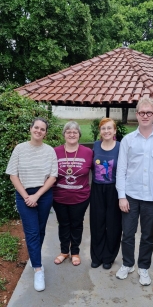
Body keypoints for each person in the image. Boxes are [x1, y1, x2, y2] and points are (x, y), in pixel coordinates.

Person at [115, 97, 153, 286]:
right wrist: (121, 196)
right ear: (136, 114)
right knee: (127, 233)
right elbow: (121, 170)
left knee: (147, 235)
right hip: (131, 196)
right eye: (141, 112)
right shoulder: (128, 140)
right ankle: (128, 264)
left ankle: (143, 267)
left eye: (148, 112)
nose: (145, 116)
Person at [6, 117, 58, 292]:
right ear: (30, 129)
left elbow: (53, 176)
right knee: (32, 231)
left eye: (42, 129)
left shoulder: (50, 151)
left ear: (45, 133)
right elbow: (13, 175)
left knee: (40, 230)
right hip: (24, 195)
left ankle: (34, 257)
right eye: (36, 127)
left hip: (43, 195)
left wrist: (36, 195)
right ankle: (38, 268)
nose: (39, 131)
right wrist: (27, 196)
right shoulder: (20, 149)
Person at [53, 121, 93, 266]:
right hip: (59, 197)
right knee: (63, 224)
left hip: (80, 198)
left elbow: (98, 171)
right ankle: (64, 251)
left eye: (75, 132)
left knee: (76, 224)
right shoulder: (55, 151)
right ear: (64, 134)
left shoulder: (88, 152)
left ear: (79, 135)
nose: (71, 134)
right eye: (68, 131)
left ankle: (75, 252)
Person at [90, 118, 122, 270]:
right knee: (97, 223)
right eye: (103, 128)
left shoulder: (120, 147)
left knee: (113, 224)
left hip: (114, 190)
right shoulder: (95, 146)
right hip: (97, 189)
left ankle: (109, 256)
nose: (106, 131)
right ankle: (96, 256)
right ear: (100, 131)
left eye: (109, 128)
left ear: (115, 131)